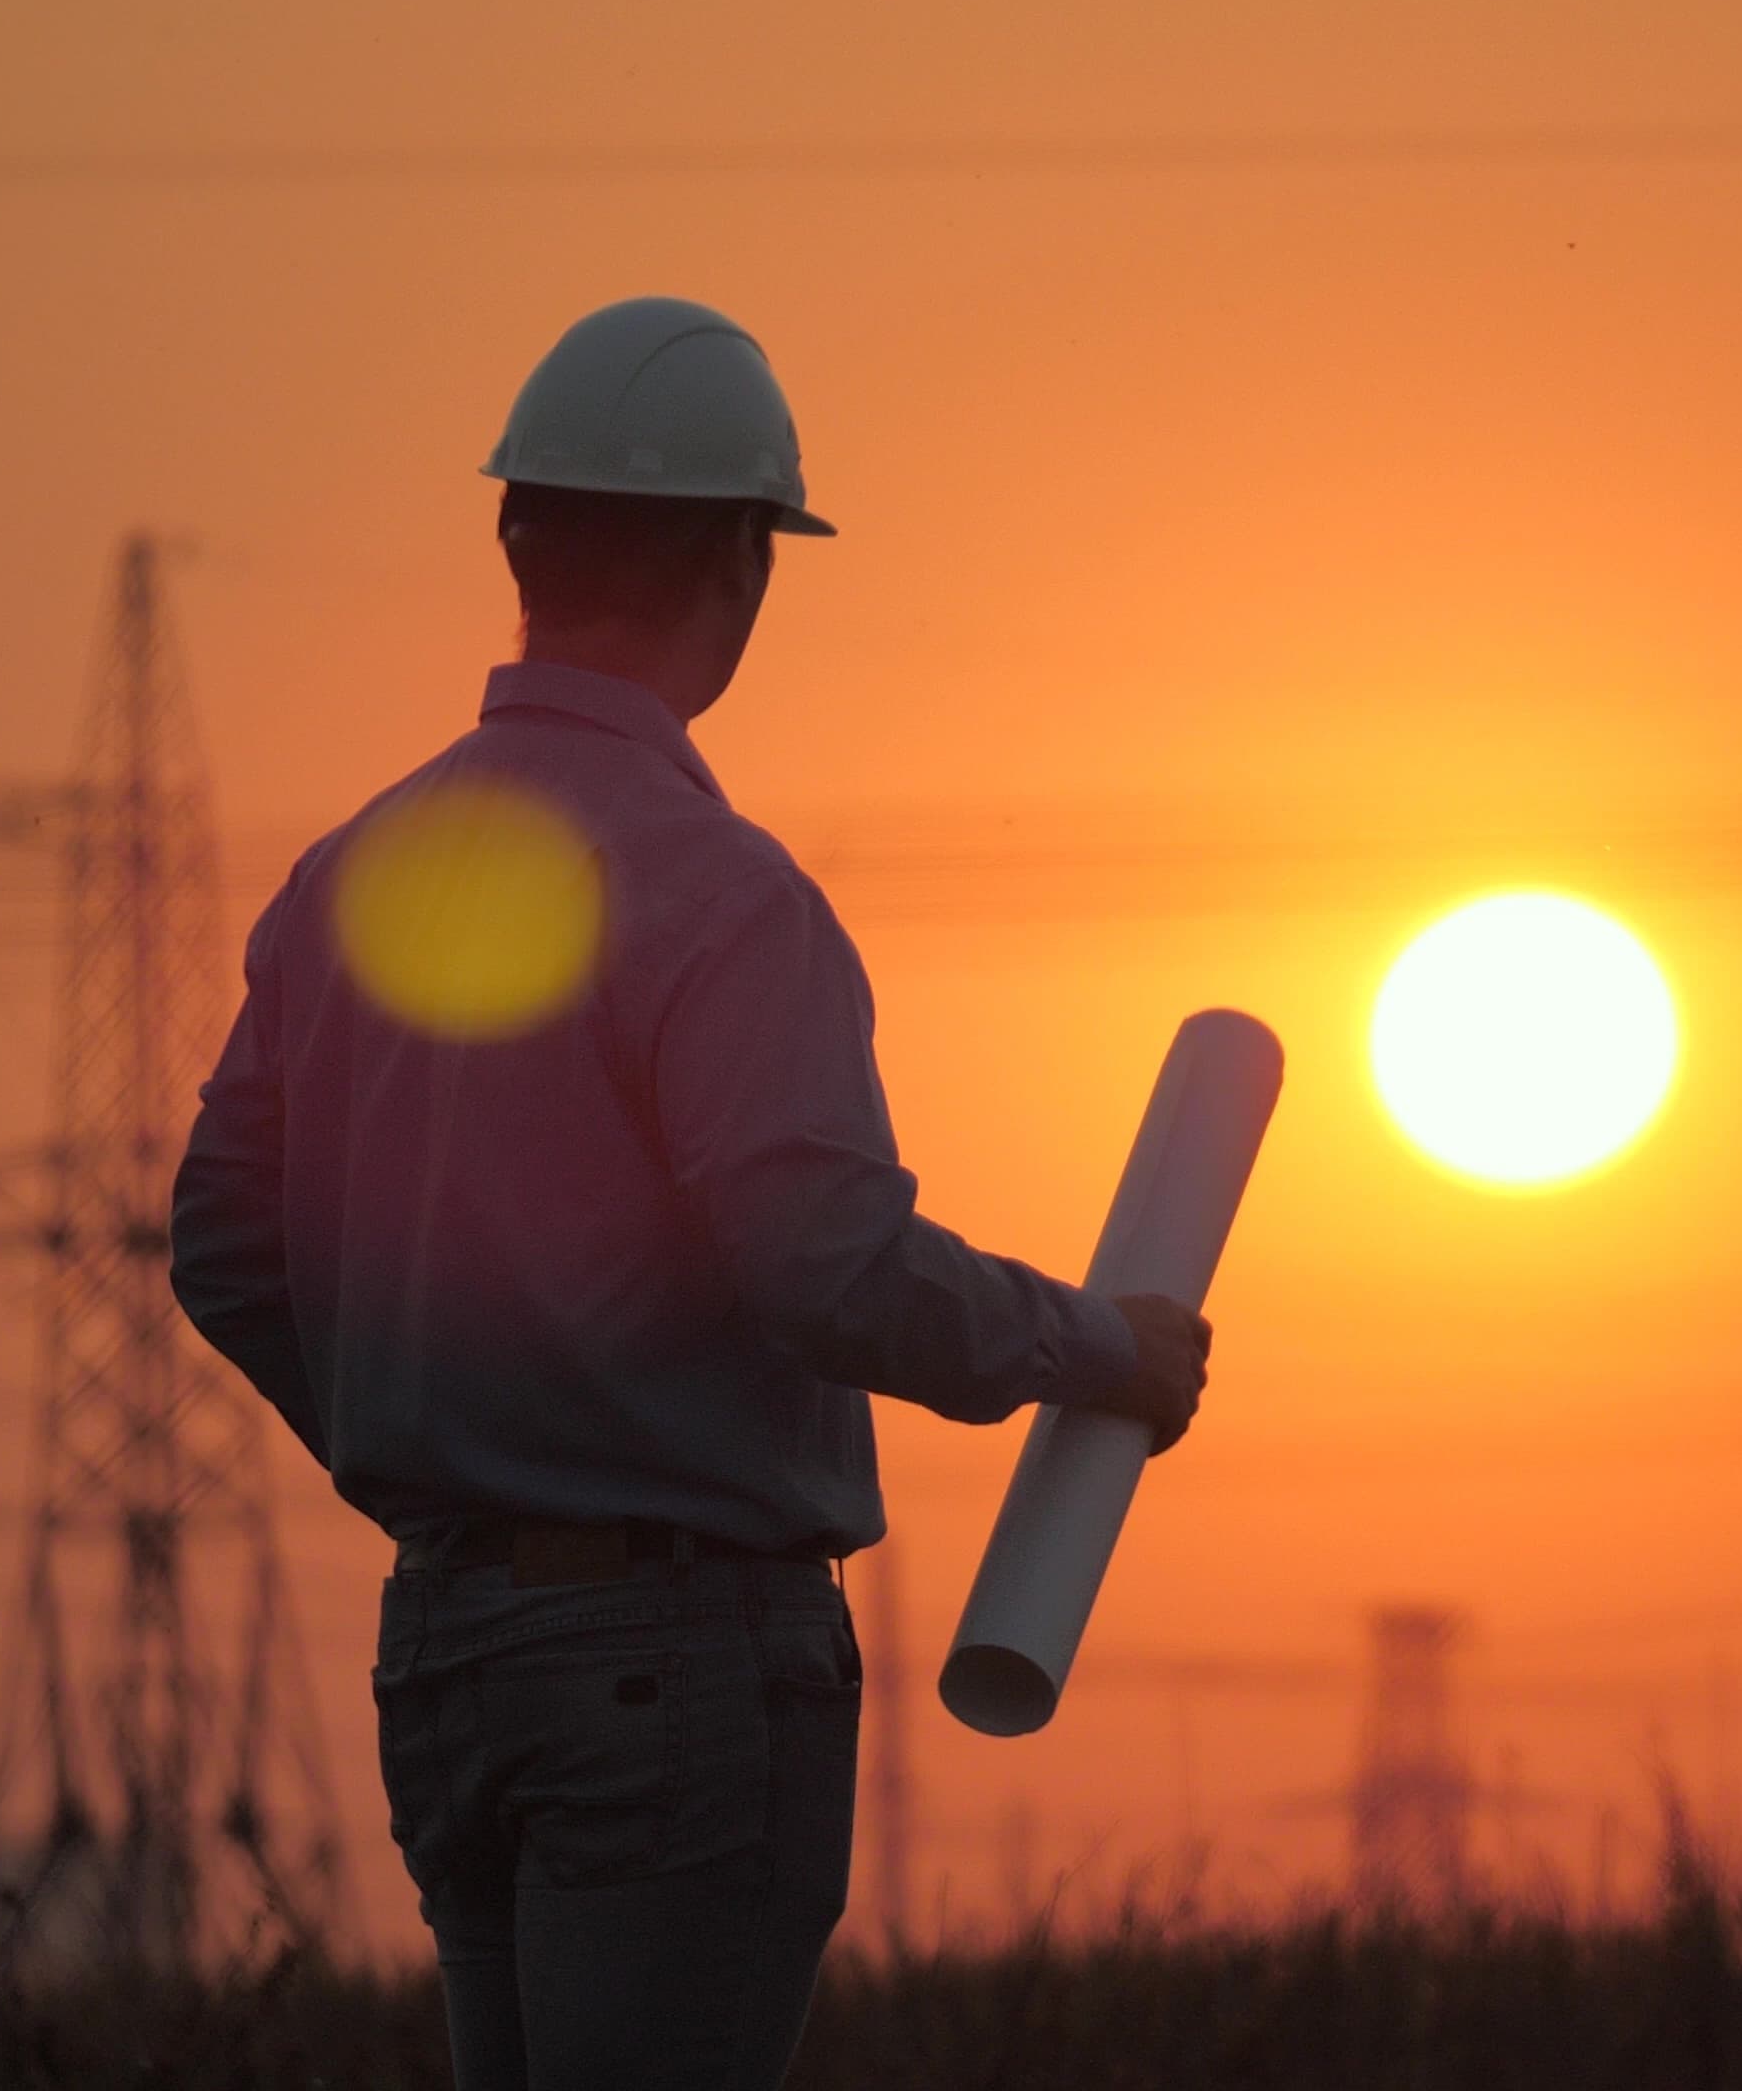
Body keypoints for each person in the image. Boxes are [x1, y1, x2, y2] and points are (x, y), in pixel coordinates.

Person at [168, 295, 1213, 2090]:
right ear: (749, 560)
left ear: (514, 537)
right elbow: (821, 1261)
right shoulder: (726, 897)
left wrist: (427, 1427)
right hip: (677, 1666)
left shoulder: (351, 882)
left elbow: (223, 1244)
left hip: (452, 1647)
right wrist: (1094, 1347)